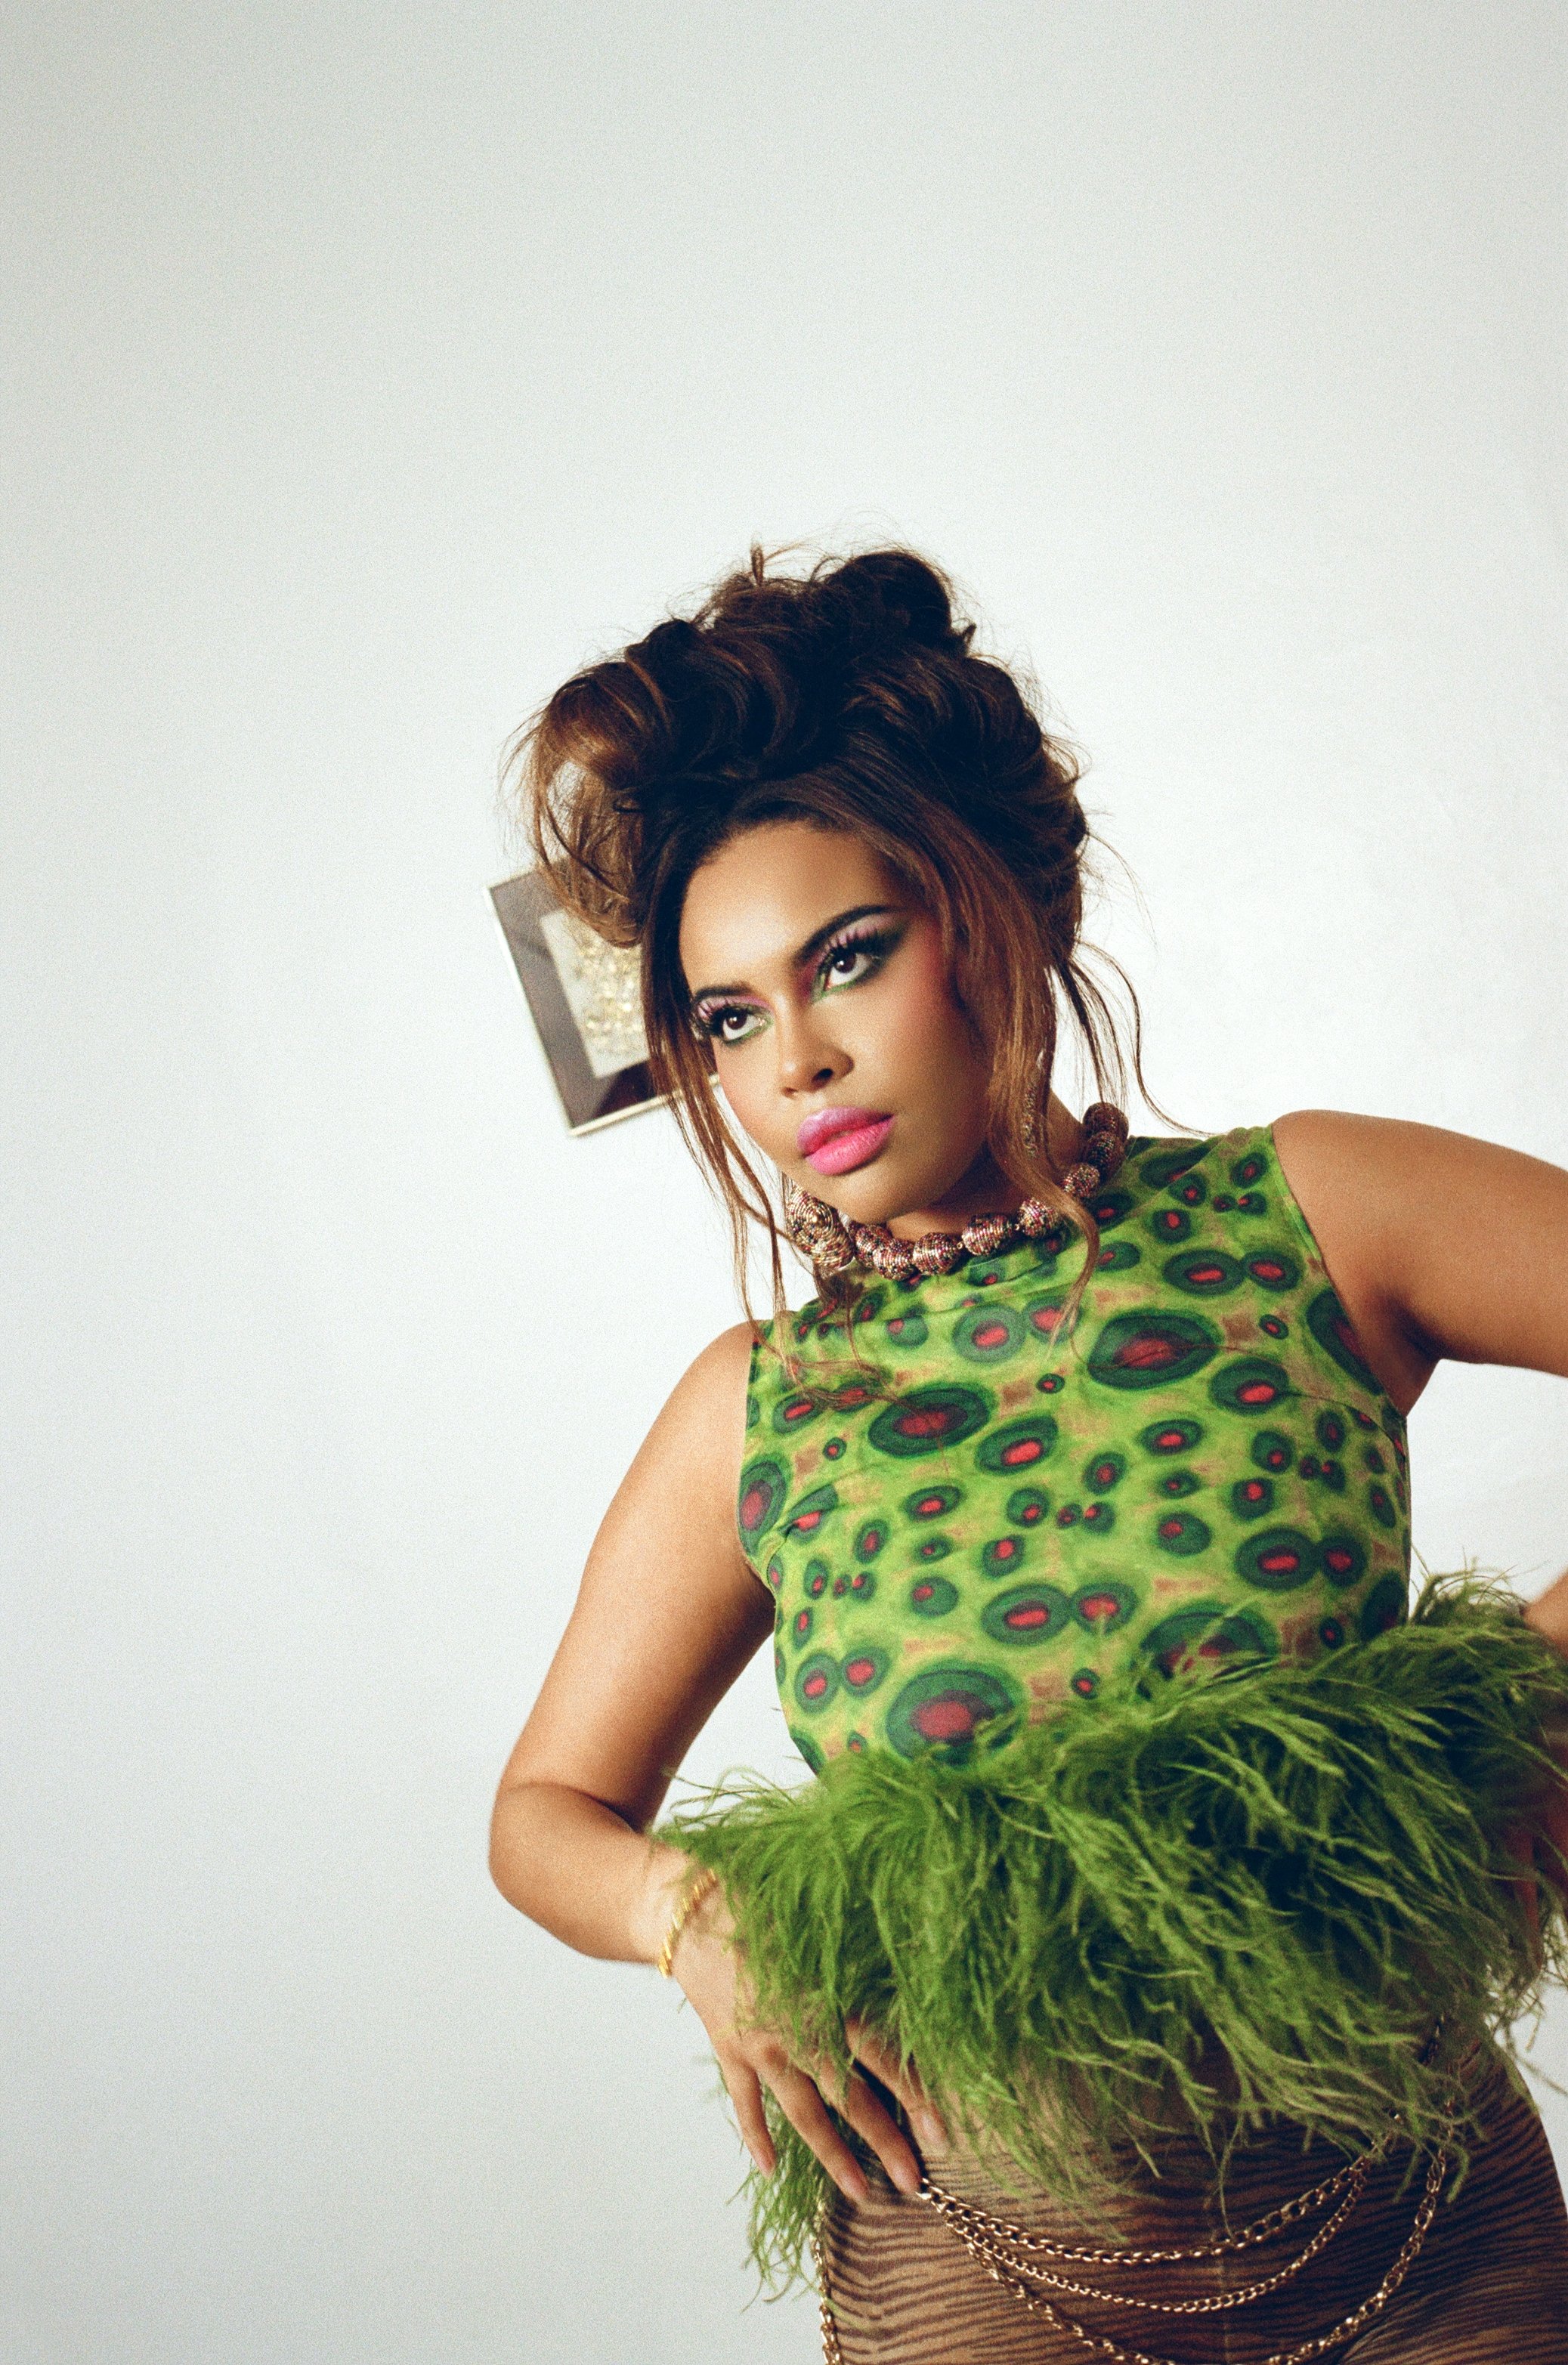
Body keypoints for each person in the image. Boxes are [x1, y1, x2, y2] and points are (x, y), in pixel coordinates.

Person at [489, 548, 1568, 2363]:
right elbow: (543, 1816)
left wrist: (1539, 1688)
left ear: (989, 913)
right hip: (985, 2274)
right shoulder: (756, 1404)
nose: (797, 1059)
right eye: (733, 1015)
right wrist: (693, 1916)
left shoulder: (1311, 1209)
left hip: (1423, 2239)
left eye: (847, 957)